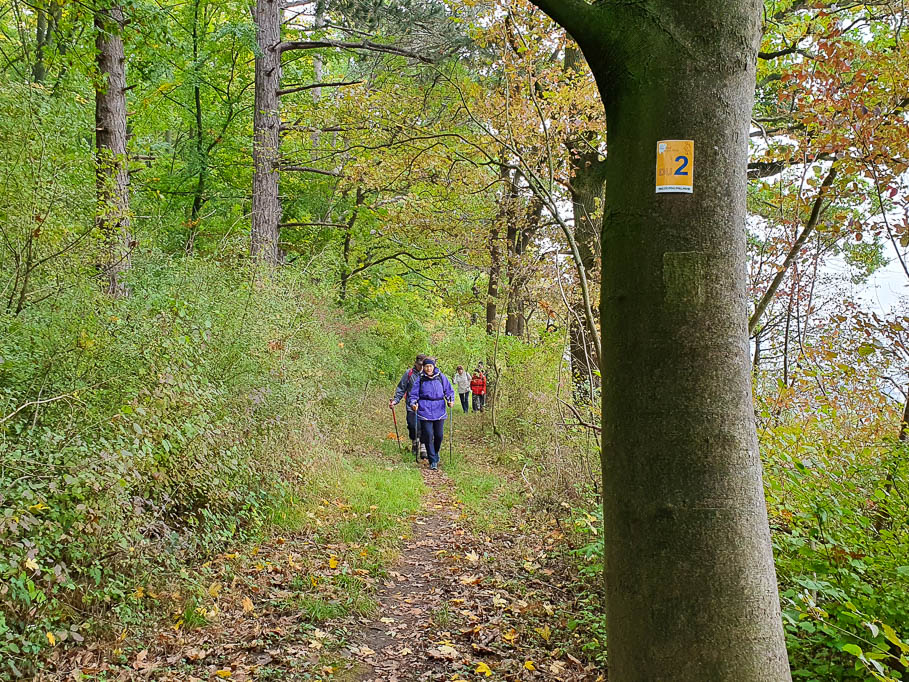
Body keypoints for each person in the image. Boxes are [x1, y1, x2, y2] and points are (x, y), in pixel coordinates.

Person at [408, 357, 455, 471]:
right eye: (426, 366)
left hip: (439, 408)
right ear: (423, 367)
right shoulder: (420, 379)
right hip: (425, 409)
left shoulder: (441, 377)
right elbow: (413, 395)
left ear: (434, 367)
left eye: (430, 366)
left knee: (439, 435)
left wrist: (450, 400)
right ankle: (433, 460)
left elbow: (449, 391)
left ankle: (435, 451)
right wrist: (413, 403)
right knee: (428, 435)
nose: (428, 369)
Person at [390, 354, 427, 461]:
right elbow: (402, 388)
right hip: (411, 405)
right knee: (412, 425)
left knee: (424, 426)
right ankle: (415, 442)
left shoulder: (428, 374)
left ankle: (423, 447)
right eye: (419, 364)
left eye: (422, 365)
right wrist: (395, 400)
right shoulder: (409, 373)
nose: (421, 367)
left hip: (425, 406)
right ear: (415, 363)